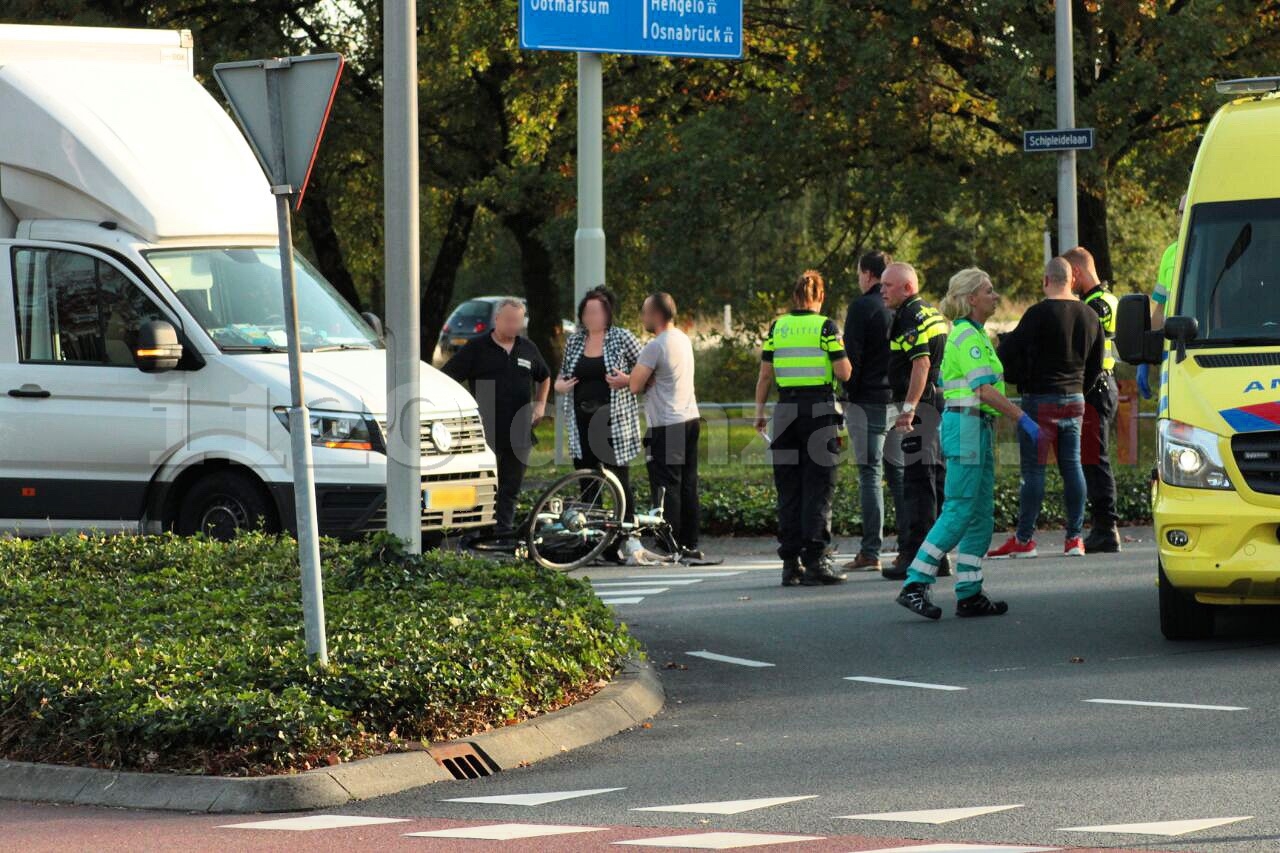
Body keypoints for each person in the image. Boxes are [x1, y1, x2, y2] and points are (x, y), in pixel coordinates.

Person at [897, 268, 1040, 620]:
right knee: (960, 508)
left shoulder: (973, 334)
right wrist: (1021, 418)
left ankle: (969, 591)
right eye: (989, 291)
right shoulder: (966, 336)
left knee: (978, 514)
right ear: (972, 298)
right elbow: (983, 389)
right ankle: (914, 583)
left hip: (976, 426)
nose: (996, 296)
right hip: (967, 427)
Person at [989, 257, 1103, 560]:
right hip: (1076, 399)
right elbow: (1096, 364)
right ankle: (1074, 539)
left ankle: (1025, 539)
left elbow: (1007, 353)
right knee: (1072, 466)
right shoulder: (1090, 315)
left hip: (1040, 401)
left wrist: (1021, 377)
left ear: (1045, 281)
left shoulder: (1036, 315)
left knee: (1034, 469)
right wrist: (1080, 388)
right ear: (1072, 279)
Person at [755, 270, 853, 587]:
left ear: (795, 295)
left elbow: (765, 376)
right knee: (818, 487)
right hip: (819, 411)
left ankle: (790, 563)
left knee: (789, 489)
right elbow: (844, 372)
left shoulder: (777, 328)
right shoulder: (826, 327)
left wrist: (759, 412)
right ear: (820, 296)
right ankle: (816, 561)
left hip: (784, 412)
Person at [442, 298, 549, 538]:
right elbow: (448, 378)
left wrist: (540, 405)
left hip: (519, 429)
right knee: (484, 483)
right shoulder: (476, 347)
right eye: (509, 320)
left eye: (518, 321)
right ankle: (476, 532)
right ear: (497, 320)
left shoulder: (528, 348)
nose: (513, 326)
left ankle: (503, 533)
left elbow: (545, 376)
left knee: (511, 486)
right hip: (486, 429)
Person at [557, 287, 643, 561]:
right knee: (587, 480)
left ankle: (628, 538)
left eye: (597, 311)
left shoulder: (622, 337)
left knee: (619, 480)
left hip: (613, 420)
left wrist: (628, 380)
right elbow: (562, 374)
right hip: (581, 420)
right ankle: (592, 540)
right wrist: (559, 386)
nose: (591, 316)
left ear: (607, 314)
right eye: (587, 312)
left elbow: (647, 368)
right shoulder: (575, 341)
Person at [880, 262, 950, 582]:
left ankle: (914, 555)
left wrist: (907, 409)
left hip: (918, 404)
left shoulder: (907, 317)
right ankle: (939, 555)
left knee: (917, 481)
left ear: (908, 287)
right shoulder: (932, 313)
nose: (882, 290)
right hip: (936, 401)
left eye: (888, 285)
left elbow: (920, 364)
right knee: (934, 478)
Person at [626, 292, 704, 560]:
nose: (643, 317)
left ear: (657, 315)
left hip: (667, 425)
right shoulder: (683, 339)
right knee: (688, 485)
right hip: (690, 419)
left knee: (666, 486)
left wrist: (629, 379)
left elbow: (635, 384)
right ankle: (690, 542)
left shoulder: (655, 346)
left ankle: (670, 543)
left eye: (645, 312)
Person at [842, 251, 903, 572]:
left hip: (867, 402)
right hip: (898, 401)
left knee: (870, 474)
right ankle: (910, 545)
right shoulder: (898, 308)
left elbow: (852, 360)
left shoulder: (861, 307)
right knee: (899, 475)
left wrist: (846, 398)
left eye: (859, 273)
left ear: (867, 274)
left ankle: (870, 551)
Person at [1063, 246, 1121, 554]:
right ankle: (1101, 526)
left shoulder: (1100, 304)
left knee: (1096, 460)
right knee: (1090, 458)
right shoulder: (1091, 301)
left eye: (1069, 276)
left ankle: (1105, 528)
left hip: (1098, 389)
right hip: (1096, 388)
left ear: (1079, 273)